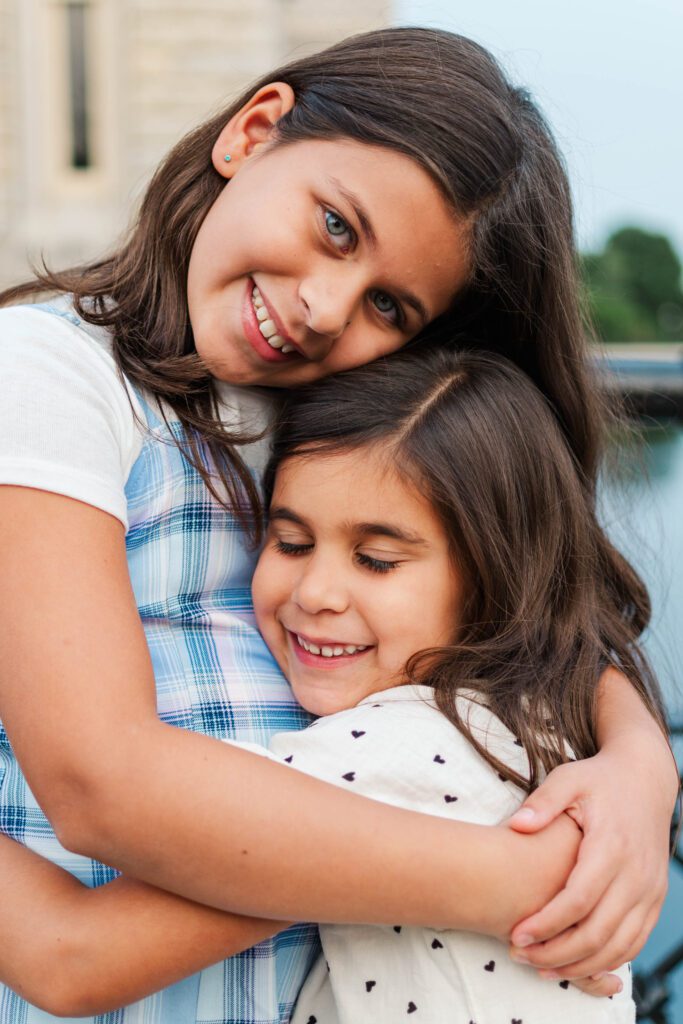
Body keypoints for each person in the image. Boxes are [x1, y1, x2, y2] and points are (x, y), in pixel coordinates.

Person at [0, 24, 676, 1024]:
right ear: (255, 129)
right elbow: (100, 789)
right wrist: (517, 876)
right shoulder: (50, 373)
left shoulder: (324, 428)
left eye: (390, 307)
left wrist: (636, 767)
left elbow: (531, 620)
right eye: (335, 226)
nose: (324, 308)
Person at [0, 349, 654, 1023]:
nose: (315, 593)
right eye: (289, 543)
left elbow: (74, 956)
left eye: (375, 561)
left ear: (493, 578)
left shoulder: (390, 751)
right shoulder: (538, 714)